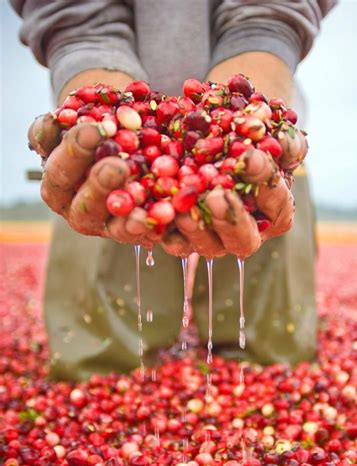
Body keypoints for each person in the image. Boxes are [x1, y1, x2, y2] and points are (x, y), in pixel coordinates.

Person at [12, 0, 336, 380]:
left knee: (271, 363)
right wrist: (85, 57)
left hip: (260, 160)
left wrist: (263, 37)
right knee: (103, 366)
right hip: (106, 163)